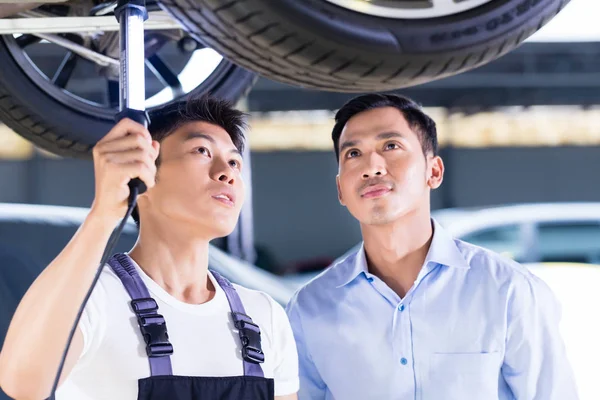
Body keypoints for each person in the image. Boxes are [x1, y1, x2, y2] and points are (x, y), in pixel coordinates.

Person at [0, 96, 299, 400]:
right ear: (142, 175)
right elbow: (23, 384)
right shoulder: (95, 299)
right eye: (202, 150)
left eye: (234, 161)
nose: (227, 172)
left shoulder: (263, 315)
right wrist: (103, 214)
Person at [285, 93, 578, 400]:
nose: (372, 167)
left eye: (390, 146)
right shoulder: (309, 310)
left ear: (434, 171)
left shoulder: (508, 292)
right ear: (340, 189)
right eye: (353, 154)